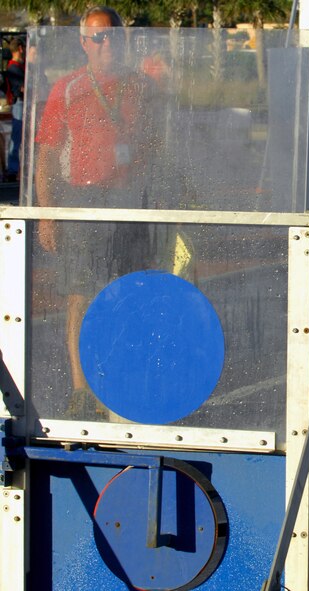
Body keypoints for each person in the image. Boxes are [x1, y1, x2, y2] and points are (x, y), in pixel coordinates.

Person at [35, 6, 157, 419]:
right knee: (80, 297)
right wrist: (48, 214)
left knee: (128, 293)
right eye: (97, 38)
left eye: (112, 36)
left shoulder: (140, 86)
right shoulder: (67, 88)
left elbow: (159, 149)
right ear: (83, 43)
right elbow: (47, 156)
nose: (106, 45)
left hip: (129, 202)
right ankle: (81, 389)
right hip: (81, 201)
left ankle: (119, 381)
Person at [5, 36, 25, 182]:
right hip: (19, 103)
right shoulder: (14, 67)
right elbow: (19, 88)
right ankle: (12, 168)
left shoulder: (18, 66)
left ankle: (14, 168)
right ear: (20, 49)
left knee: (18, 137)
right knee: (16, 137)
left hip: (20, 102)